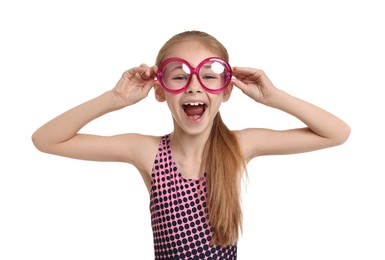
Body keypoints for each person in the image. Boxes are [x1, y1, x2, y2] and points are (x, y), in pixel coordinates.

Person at [32, 30, 351, 259]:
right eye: (179, 75)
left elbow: (336, 133)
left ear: (226, 90)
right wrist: (114, 98)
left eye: (210, 76)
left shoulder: (239, 146)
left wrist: (274, 96)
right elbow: (46, 139)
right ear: (160, 91)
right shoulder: (147, 152)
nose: (194, 86)